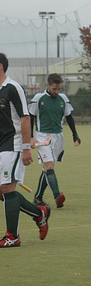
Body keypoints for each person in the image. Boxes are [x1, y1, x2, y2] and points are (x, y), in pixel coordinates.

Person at [0, 53, 50, 247]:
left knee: (7, 188)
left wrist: (27, 147)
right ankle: (39, 213)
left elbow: (25, 117)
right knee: (2, 191)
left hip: (13, 145)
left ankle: (12, 236)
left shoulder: (13, 88)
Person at [29, 73, 81, 208]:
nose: (57, 92)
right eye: (54, 89)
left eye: (59, 89)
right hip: (42, 137)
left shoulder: (63, 99)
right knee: (49, 166)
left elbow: (69, 117)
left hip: (58, 137)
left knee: (47, 169)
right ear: (48, 85)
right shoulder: (38, 98)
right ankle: (57, 196)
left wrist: (75, 134)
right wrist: (30, 137)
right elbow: (30, 117)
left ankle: (38, 198)